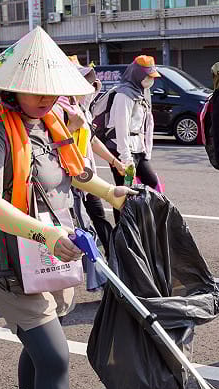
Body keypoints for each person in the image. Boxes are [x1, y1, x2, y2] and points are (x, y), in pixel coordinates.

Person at [0, 27, 136, 389]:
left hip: (51, 254)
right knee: (55, 355)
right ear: (12, 85)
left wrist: (111, 192)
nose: (46, 96)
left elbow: (76, 176)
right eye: (36, 88)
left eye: (52, 87)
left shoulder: (53, 120)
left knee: (38, 345)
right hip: (10, 260)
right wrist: (46, 233)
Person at [54, 58, 125, 257]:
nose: (88, 88)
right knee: (81, 224)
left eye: (90, 83)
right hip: (68, 177)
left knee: (98, 215)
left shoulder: (78, 108)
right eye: (84, 82)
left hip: (85, 173)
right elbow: (50, 146)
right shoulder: (58, 109)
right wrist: (72, 127)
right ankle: (93, 265)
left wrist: (115, 161)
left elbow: (91, 141)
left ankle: (113, 258)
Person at [107, 55, 161, 197]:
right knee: (124, 192)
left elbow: (146, 125)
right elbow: (121, 127)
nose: (151, 80)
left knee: (151, 181)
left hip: (137, 148)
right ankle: (123, 220)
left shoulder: (141, 93)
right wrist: (126, 158)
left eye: (152, 76)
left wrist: (145, 151)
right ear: (138, 74)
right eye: (148, 76)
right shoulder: (124, 95)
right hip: (121, 150)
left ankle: (139, 217)